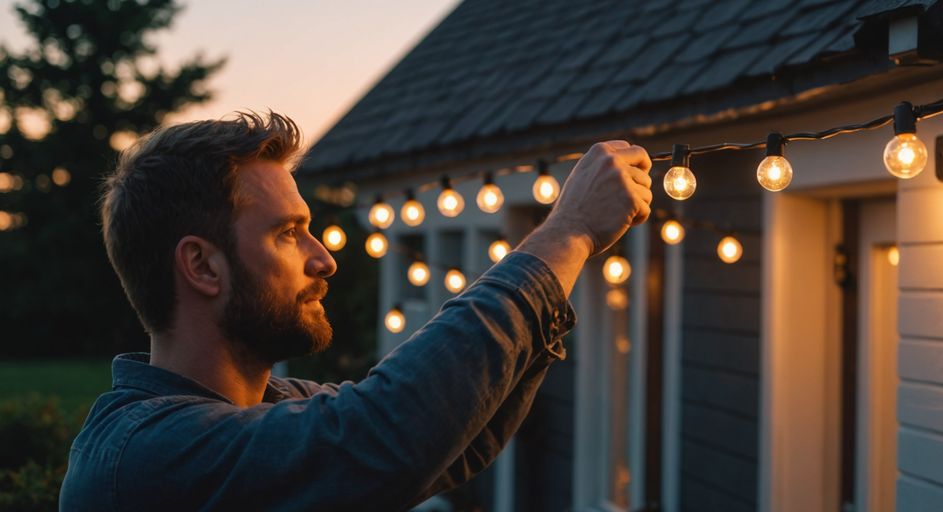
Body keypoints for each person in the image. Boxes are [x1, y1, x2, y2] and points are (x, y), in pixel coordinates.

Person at [58, 112, 653, 511]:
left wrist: (549, 288)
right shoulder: (143, 456)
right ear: (203, 267)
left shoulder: (278, 405)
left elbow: (455, 439)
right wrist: (567, 231)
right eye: (290, 233)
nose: (325, 260)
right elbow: (384, 432)